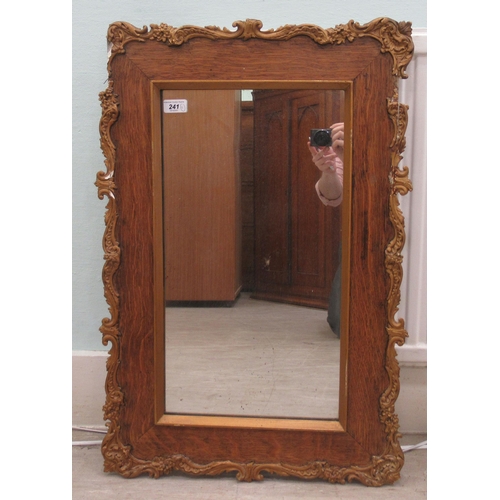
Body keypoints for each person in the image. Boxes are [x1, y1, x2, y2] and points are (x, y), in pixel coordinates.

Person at [308, 123, 344, 337]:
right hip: (357, 230)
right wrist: (329, 171)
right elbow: (333, 198)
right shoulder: (341, 138)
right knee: (339, 321)